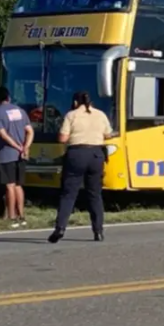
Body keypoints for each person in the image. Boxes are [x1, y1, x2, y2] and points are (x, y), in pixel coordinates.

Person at [48, 91, 113, 243]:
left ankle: (60, 228)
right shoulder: (100, 114)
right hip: (96, 155)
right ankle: (98, 231)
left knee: (69, 194)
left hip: (77, 154)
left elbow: (63, 138)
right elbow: (108, 134)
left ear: (76, 102)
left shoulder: (72, 115)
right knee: (95, 194)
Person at [0, 86, 34, 227]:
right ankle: (22, 215)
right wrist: (25, 147)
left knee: (9, 185)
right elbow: (30, 131)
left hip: (6, 154)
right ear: (8, 97)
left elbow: (3, 134)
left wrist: (16, 146)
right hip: (21, 155)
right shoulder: (20, 111)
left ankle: (11, 216)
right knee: (18, 185)